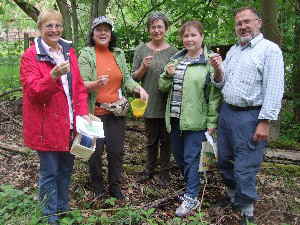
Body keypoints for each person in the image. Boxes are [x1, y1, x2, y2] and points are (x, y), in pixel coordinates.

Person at [210, 7, 284, 225]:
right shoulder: (234, 50)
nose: (242, 26)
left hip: (250, 116)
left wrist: (264, 121)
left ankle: (247, 209)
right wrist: (217, 69)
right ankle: (233, 196)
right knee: (224, 159)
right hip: (227, 113)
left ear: (258, 22)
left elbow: (274, 87)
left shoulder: (269, 50)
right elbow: (221, 84)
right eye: (239, 23)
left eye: (246, 21)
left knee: (245, 166)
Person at [20, 9, 89, 225]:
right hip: (46, 126)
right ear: (40, 29)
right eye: (49, 25)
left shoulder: (69, 52)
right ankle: (50, 216)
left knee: (66, 169)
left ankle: (62, 208)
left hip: (70, 123)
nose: (54, 29)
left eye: (58, 25)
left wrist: (83, 117)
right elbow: (33, 92)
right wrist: (52, 76)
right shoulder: (30, 56)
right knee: (50, 172)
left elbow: (78, 88)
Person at [78, 16, 148, 200]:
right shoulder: (86, 54)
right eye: (99, 29)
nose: (103, 33)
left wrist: (138, 88)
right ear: (93, 34)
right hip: (93, 114)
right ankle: (98, 187)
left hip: (116, 113)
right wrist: (95, 83)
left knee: (116, 152)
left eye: (106, 30)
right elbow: (80, 84)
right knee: (94, 153)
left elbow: (127, 79)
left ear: (111, 34)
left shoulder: (118, 53)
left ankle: (115, 187)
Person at [159, 20, 222, 217]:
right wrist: (168, 75)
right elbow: (162, 86)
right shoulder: (176, 59)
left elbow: (214, 95)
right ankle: (193, 184)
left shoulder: (210, 60)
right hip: (176, 118)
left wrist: (212, 122)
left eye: (193, 35)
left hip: (197, 121)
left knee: (191, 158)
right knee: (179, 157)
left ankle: (192, 197)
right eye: (186, 36)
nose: (189, 39)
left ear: (202, 37)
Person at [132, 12, 177, 185]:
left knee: (166, 141)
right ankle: (149, 170)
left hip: (167, 104)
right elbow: (133, 79)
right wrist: (143, 67)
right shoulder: (141, 50)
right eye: (153, 27)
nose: (156, 30)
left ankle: (164, 173)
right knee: (151, 140)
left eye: (160, 26)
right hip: (148, 103)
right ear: (149, 29)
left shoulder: (174, 52)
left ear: (166, 29)